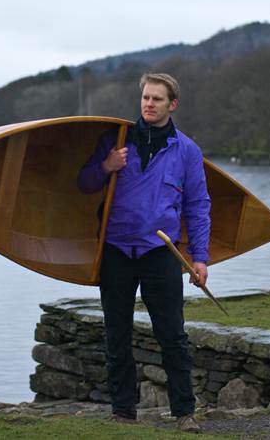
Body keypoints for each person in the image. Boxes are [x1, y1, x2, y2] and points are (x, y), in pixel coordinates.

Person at [77, 73, 211, 433]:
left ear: (172, 105)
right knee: (116, 334)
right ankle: (123, 412)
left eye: (157, 99)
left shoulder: (187, 150)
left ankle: (184, 413)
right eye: (145, 98)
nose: (148, 104)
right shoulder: (118, 139)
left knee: (172, 334)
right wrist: (106, 167)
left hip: (160, 251)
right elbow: (84, 183)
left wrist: (200, 258)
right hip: (116, 249)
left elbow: (198, 206)